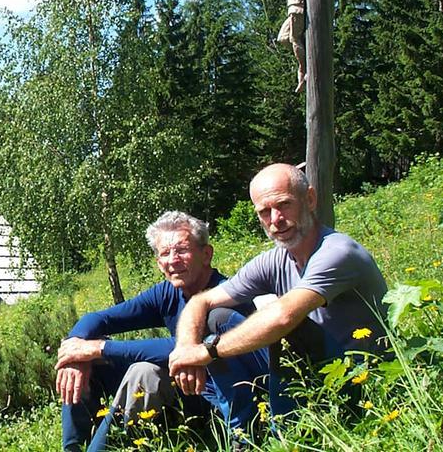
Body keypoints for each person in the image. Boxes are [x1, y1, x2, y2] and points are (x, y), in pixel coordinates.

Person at [169, 164, 388, 422]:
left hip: (361, 381)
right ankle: (243, 431)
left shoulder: (337, 252)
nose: (275, 219)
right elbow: (201, 300)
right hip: (313, 372)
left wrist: (208, 351)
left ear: (310, 199)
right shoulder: (276, 260)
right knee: (219, 316)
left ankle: (284, 432)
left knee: (285, 323)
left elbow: (284, 316)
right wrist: (186, 348)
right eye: (264, 211)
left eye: (284, 205)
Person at [55, 210, 269, 451]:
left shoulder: (227, 295)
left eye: (182, 250)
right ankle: (73, 447)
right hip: (182, 390)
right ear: (158, 262)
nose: (172, 260)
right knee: (81, 361)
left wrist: (99, 347)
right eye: (165, 253)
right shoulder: (168, 292)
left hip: (216, 403)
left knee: (143, 371)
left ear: (206, 254)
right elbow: (98, 318)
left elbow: (180, 347)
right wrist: (76, 346)